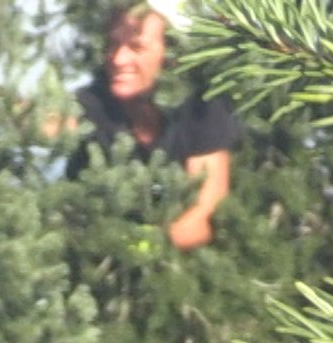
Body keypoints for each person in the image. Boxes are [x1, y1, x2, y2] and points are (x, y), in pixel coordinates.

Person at [68, 1, 240, 250]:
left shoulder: (202, 106)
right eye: (114, 44)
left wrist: (142, 244)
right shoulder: (94, 104)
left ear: (171, 54)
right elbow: (49, 120)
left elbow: (203, 217)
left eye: (136, 47)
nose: (118, 58)